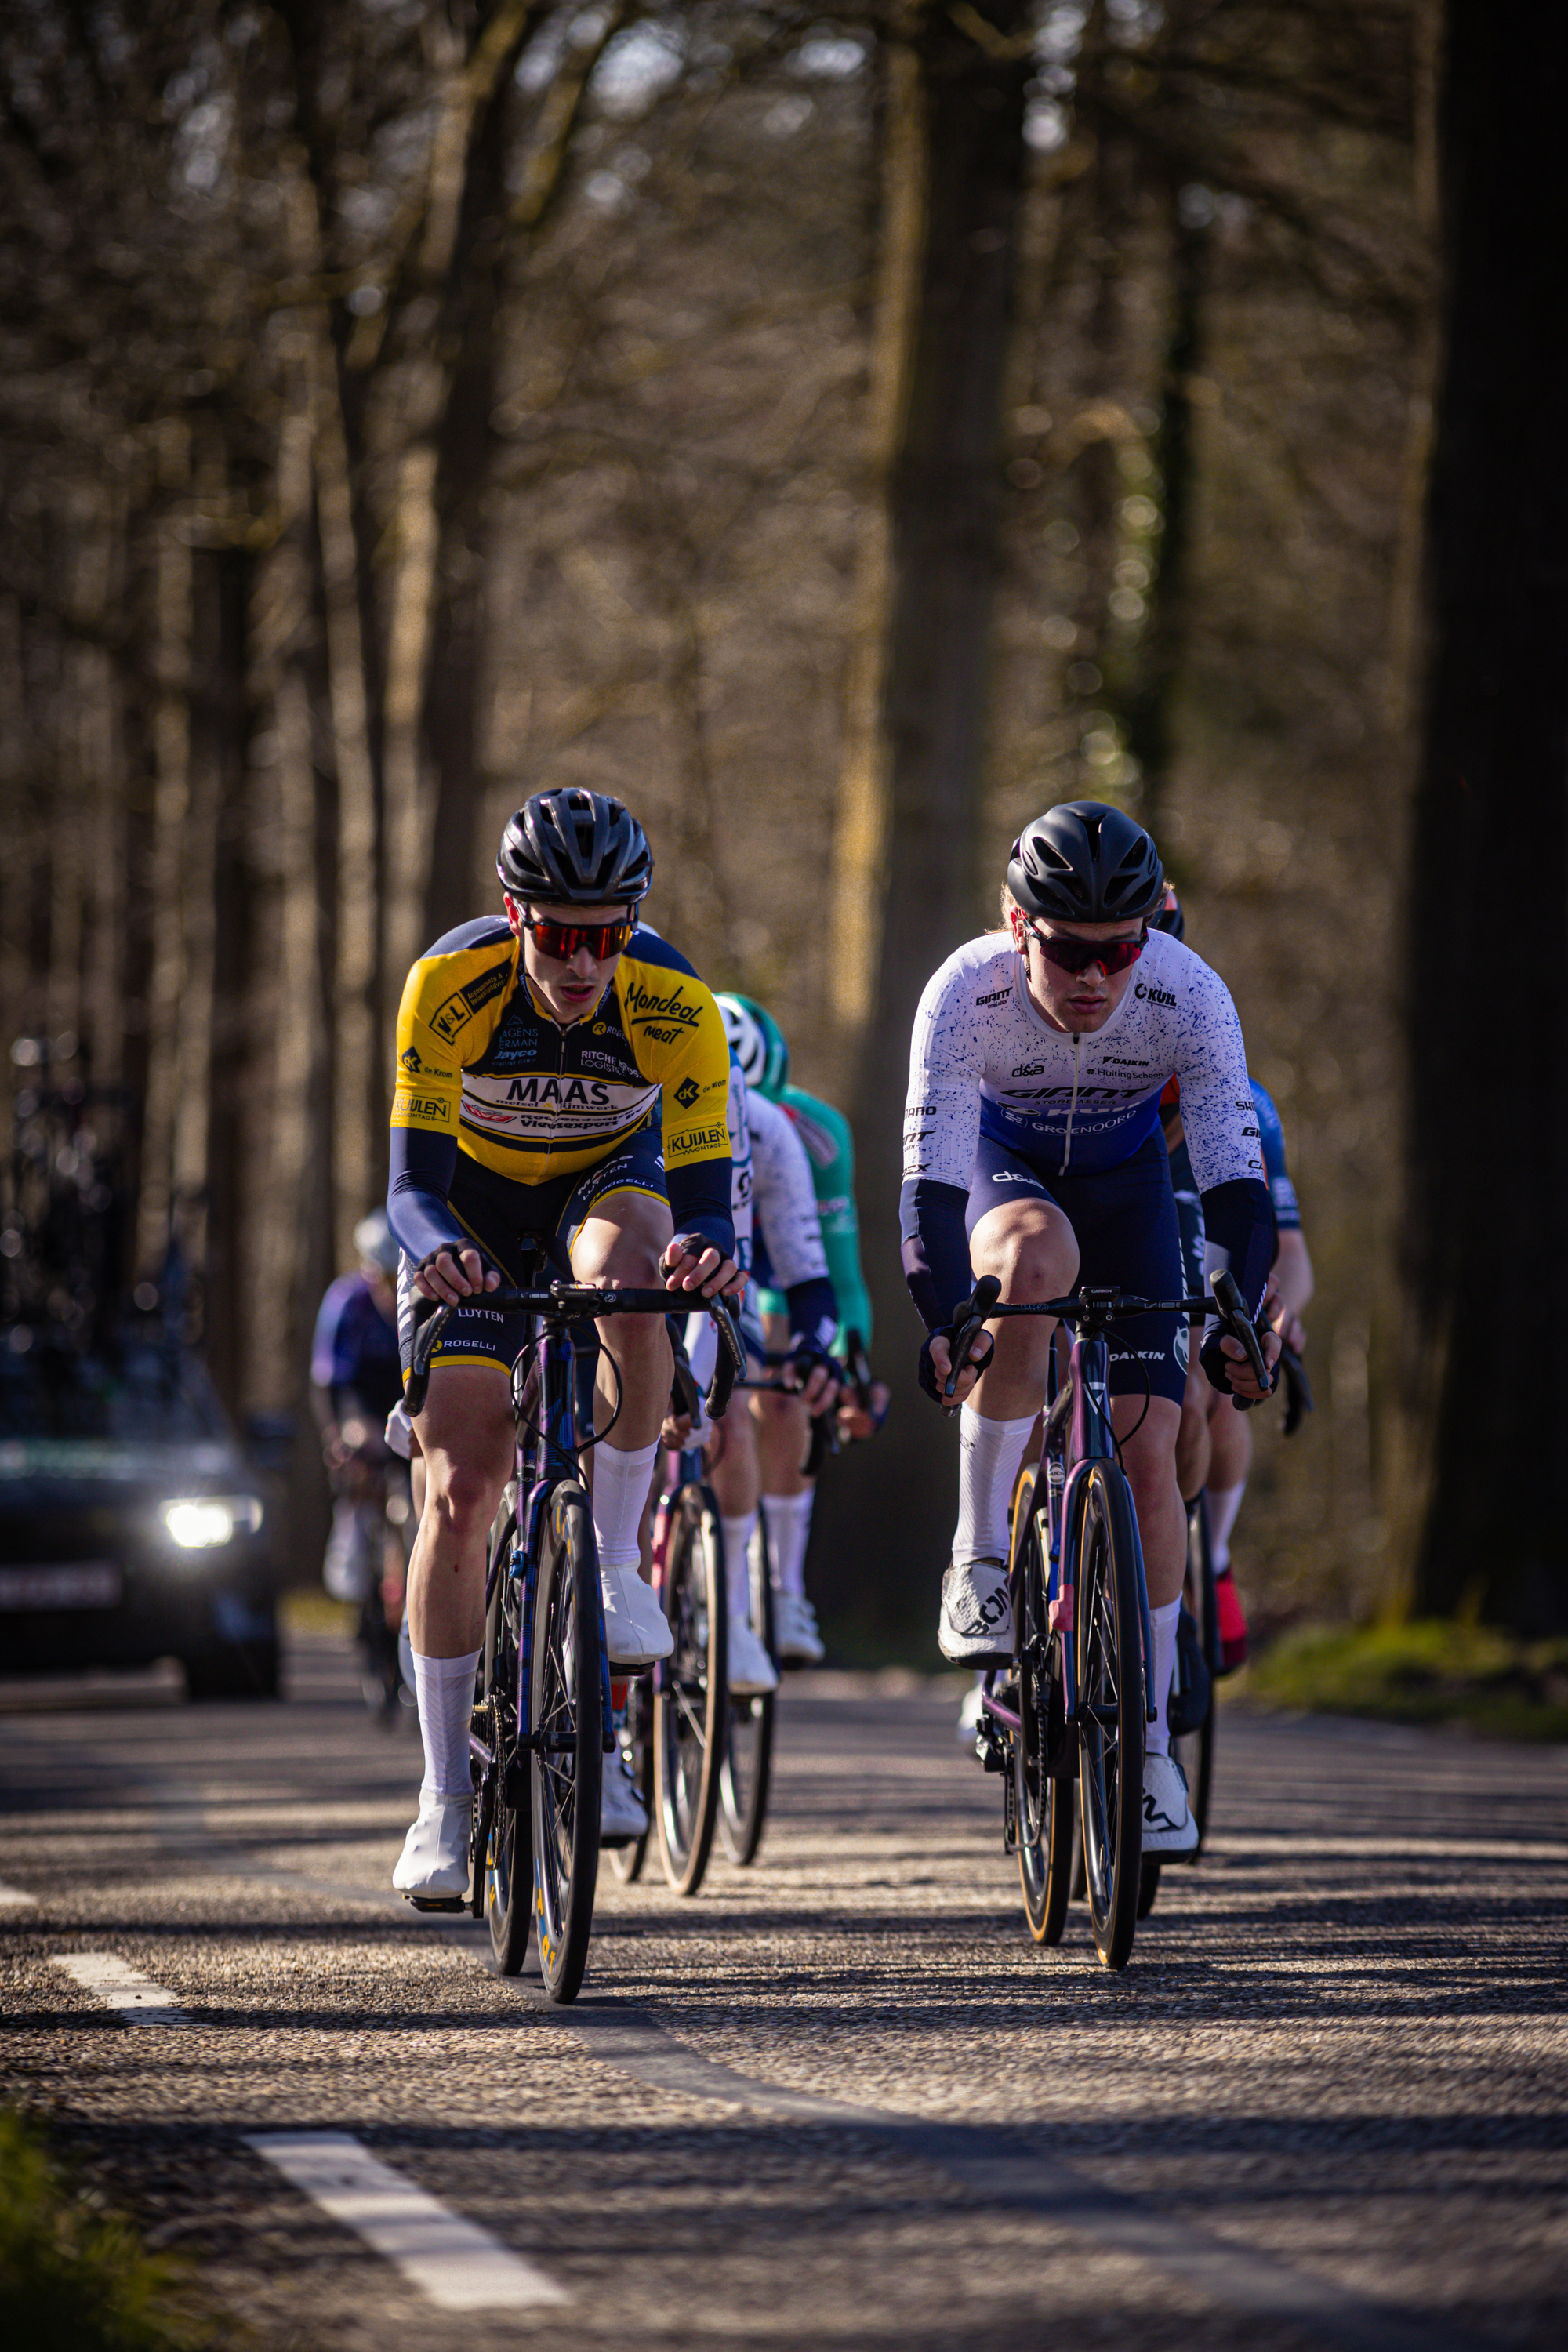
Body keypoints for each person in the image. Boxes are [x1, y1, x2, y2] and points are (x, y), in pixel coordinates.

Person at [384, 789, 742, 1900]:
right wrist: (439, 1248)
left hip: (606, 1186)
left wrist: (711, 1257)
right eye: (559, 934)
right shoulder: (451, 987)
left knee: (633, 1279)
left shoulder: (675, 1003)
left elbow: (708, 1204)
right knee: (461, 1480)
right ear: (514, 913)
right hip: (473, 1210)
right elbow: (408, 1187)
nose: (584, 961)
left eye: (609, 935)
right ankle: (445, 1802)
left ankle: (620, 1565)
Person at [902, 800, 1278, 1857]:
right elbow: (928, 1188)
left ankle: (1150, 1745)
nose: (1096, 978)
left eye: (1119, 952)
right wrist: (945, 1317)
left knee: (1150, 1448)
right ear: (1017, 928)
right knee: (1029, 1263)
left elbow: (1235, 1183)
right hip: (1004, 1172)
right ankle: (980, 1556)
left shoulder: (1189, 993)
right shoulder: (963, 993)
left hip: (1128, 1191)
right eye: (1069, 950)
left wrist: (1236, 1314)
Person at [1153, 891, 1313, 1670]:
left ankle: (1201, 1558)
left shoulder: (1239, 1096)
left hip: (1188, 1218)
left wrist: (1278, 1313)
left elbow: (1282, 1245)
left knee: (1205, 1381)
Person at [717, 994, 887, 1664]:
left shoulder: (814, 1135)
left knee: (787, 1374)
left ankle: (784, 1588)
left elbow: (837, 1278)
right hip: (706, 1250)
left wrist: (848, 1362)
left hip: (777, 1263)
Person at [681, 1029, 840, 1684]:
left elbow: (813, 1277)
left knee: (729, 1409)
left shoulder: (772, 1134)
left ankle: (741, 1610)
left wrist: (816, 1352)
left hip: (729, 1275)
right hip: (644, 1252)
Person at [310, 1211, 406, 1619]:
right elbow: (326, 1382)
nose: (387, 1288)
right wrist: (335, 1438)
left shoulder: (416, 1298)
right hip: (360, 1398)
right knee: (360, 1447)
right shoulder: (347, 1299)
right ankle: (356, 1545)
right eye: (379, 1276)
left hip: (405, 1393)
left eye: (394, 1277)